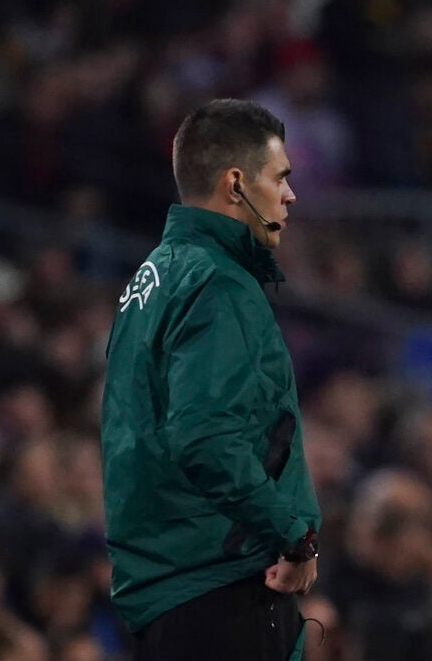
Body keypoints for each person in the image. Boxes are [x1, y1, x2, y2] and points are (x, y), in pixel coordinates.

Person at [101, 99, 321, 661]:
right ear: (236, 183)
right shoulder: (217, 284)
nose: (290, 195)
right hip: (220, 585)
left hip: (168, 585)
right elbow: (205, 436)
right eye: (279, 178)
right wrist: (292, 534)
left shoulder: (153, 277)